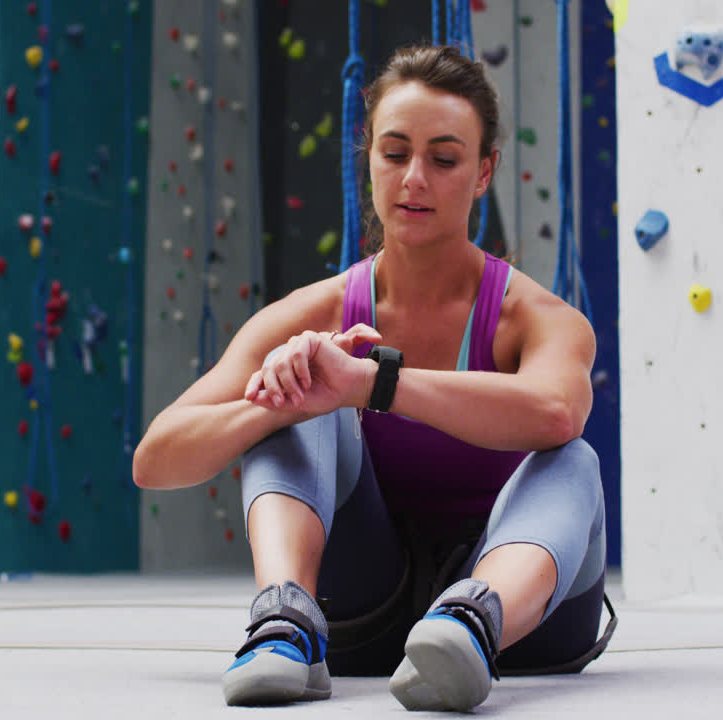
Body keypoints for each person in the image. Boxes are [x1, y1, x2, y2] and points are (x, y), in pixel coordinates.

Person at [133, 45, 613, 712]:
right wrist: (287, 398)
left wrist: (371, 384)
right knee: (296, 400)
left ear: (483, 172)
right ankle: (283, 622)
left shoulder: (535, 317)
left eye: (444, 159)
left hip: (524, 627)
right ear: (370, 159)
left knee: (575, 460)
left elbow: (556, 413)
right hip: (364, 610)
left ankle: (470, 622)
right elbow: (157, 459)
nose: (415, 178)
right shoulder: (316, 310)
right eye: (395, 154)